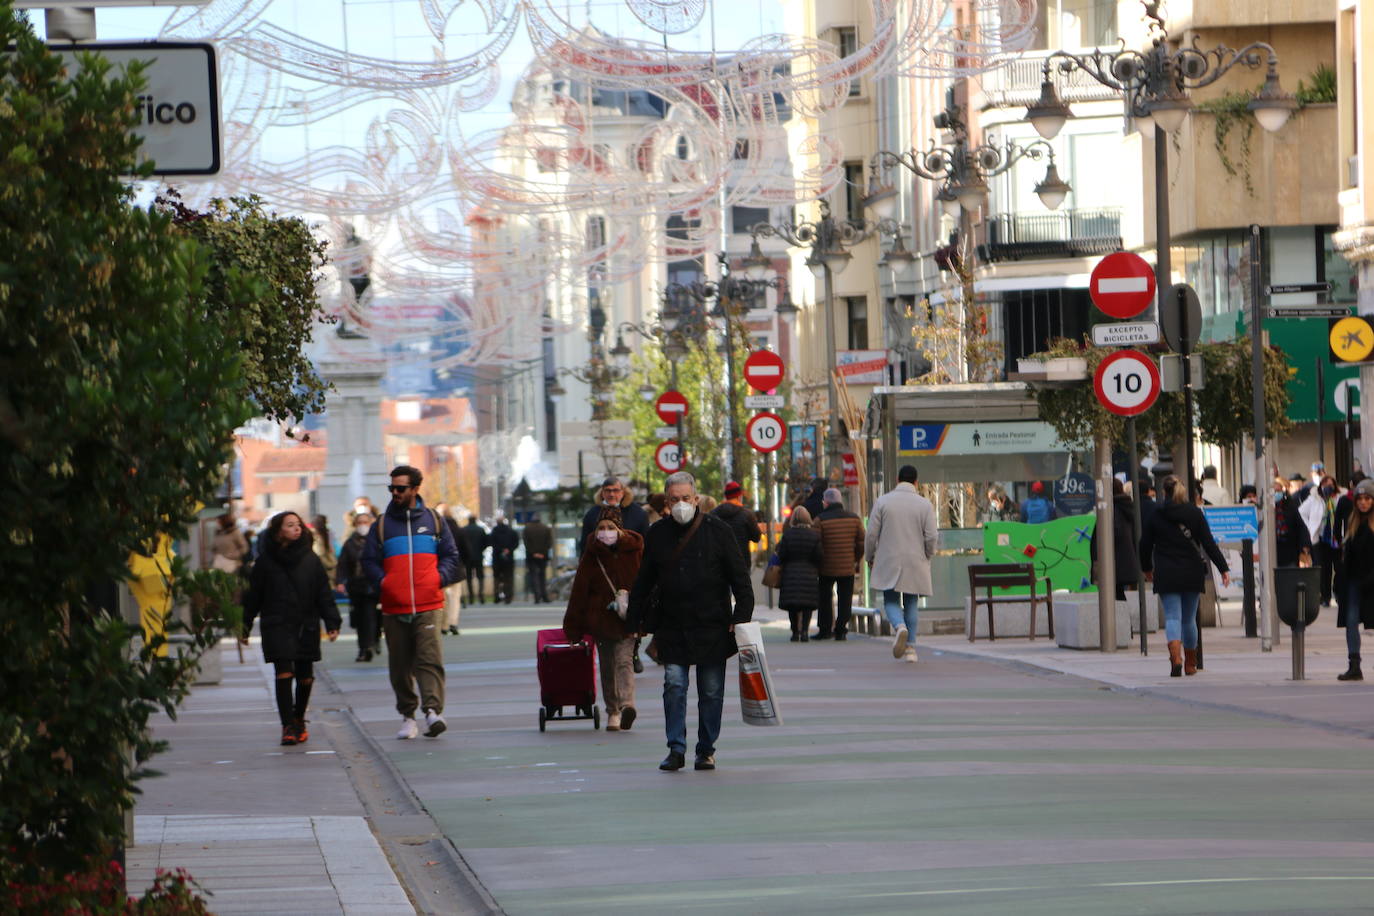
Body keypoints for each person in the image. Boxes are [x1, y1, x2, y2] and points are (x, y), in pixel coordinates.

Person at [628, 471, 753, 772]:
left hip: (712, 624)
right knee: (674, 685)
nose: (681, 504)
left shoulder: (718, 530)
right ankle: (676, 748)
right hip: (672, 625)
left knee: (711, 691)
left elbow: (740, 579)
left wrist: (740, 618)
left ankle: (706, 749)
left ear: (696, 499)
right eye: (674, 499)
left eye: (686, 498)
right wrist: (635, 620)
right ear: (666, 502)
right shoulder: (657, 534)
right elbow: (643, 580)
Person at [362, 465, 462, 739]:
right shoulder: (381, 525)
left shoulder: (433, 520)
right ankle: (408, 716)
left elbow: (451, 556)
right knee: (400, 664)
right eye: (391, 488)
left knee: (429, 660)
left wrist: (436, 579)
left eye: (401, 488)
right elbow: (368, 561)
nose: (395, 492)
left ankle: (433, 712)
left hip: (429, 604)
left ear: (415, 489)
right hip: (395, 606)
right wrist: (385, 583)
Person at [240, 512, 341, 745]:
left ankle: (298, 718)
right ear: (278, 532)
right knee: (284, 673)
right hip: (277, 623)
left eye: (298, 525)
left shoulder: (310, 559)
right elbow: (253, 596)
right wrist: (243, 626)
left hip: (306, 624)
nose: (297, 529)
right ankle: (287, 726)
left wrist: (332, 622)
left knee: (305, 677)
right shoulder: (265, 562)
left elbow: (323, 594)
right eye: (290, 525)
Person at [1140, 475, 1230, 678]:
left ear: (1163, 491)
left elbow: (1144, 544)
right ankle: (1190, 663)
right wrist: (1223, 568)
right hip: (1191, 571)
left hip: (1166, 571)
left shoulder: (1156, 514)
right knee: (1189, 619)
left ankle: (1176, 659)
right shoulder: (1194, 513)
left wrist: (1146, 568)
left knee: (1173, 616)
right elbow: (1208, 543)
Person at [563, 516, 644, 730]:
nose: (605, 531)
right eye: (601, 528)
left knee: (624, 661)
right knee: (608, 665)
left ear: (620, 529)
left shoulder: (634, 550)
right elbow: (579, 592)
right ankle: (613, 712)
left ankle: (627, 705)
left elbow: (647, 582)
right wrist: (573, 629)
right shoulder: (592, 554)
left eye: (610, 527)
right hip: (601, 619)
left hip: (629, 618)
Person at [865, 465, 938, 664]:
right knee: (912, 602)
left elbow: (871, 533)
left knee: (890, 599)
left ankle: (899, 626)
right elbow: (931, 536)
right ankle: (911, 649)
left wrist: (869, 556)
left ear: (898, 480)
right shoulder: (924, 504)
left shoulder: (883, 502)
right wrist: (928, 554)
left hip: (889, 558)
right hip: (916, 560)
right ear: (916, 481)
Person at [1335, 478, 1374, 681]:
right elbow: (1346, 556)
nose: (1363, 502)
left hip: (1371, 581)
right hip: (1353, 582)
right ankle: (1354, 664)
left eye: (1368, 498)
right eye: (1360, 499)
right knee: (1351, 623)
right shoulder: (1353, 523)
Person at [813, 487, 864, 640]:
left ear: (826, 502)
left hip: (826, 567)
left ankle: (825, 629)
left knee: (825, 598)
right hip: (847, 566)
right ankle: (841, 629)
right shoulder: (854, 518)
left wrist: (819, 561)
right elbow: (861, 542)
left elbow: (816, 544)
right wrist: (855, 559)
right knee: (845, 598)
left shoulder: (820, 520)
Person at [337, 510, 381, 661]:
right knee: (359, 619)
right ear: (355, 525)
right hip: (356, 586)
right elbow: (342, 564)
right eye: (359, 522)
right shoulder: (350, 543)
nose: (363, 525)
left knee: (370, 616)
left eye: (365, 522)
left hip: (372, 586)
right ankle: (364, 646)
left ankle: (368, 645)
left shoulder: (376, 541)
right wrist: (340, 581)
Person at [775, 506, 823, 641]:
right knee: (807, 605)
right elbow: (819, 556)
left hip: (790, 573)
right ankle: (805, 632)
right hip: (809, 573)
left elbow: (782, 555)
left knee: (793, 605)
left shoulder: (788, 535)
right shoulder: (814, 535)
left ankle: (795, 631)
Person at [1089, 478, 1140, 600]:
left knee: (1113, 596)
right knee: (1117, 594)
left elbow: (1113, 533)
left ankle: (1117, 618)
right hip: (1123, 561)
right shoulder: (1125, 507)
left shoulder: (1112, 510)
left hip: (1113, 562)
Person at [580, 477, 650, 548]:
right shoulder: (592, 514)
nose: (611, 494)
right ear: (602, 493)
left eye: (616, 490)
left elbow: (646, 543)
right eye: (608, 490)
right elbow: (585, 544)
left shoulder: (638, 514)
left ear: (622, 492)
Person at [1311, 475, 1347, 608]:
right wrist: (1311, 527)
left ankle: (1337, 593)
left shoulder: (1340, 498)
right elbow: (1302, 512)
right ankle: (1325, 596)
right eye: (1325, 485)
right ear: (1321, 486)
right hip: (1322, 539)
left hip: (1337, 538)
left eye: (1331, 485)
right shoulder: (1315, 499)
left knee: (1339, 568)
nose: (1328, 488)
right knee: (1324, 570)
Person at [712, 480, 762, 564]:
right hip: (742, 563)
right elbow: (756, 537)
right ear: (739, 496)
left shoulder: (713, 514)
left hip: (719, 563)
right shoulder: (747, 515)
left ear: (726, 496)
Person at [434, 504, 466, 636]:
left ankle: (444, 624)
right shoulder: (457, 528)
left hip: (440, 566)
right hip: (456, 566)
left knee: (444, 598)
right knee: (455, 598)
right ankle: (453, 622)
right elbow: (464, 547)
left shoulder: (435, 529)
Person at [1273, 475, 1313, 568]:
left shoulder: (1290, 506)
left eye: (1278, 491)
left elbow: (1301, 526)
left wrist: (1305, 545)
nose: (1276, 493)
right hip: (1272, 550)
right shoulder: (1266, 509)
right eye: (1274, 491)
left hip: (1289, 550)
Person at [523, 513, 554, 603]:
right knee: (542, 575)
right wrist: (542, 553)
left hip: (531, 556)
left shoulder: (527, 528)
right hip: (543, 556)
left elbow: (526, 543)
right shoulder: (546, 528)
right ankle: (544, 595)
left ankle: (537, 596)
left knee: (534, 576)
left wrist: (534, 553)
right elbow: (549, 542)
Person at [489, 516, 520, 603]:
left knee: (497, 578)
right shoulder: (511, 531)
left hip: (497, 558)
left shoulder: (494, 532)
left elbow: (491, 543)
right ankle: (508, 596)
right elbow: (516, 542)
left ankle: (496, 596)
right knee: (508, 578)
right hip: (509, 558)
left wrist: (500, 549)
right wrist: (509, 549)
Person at [461, 515, 489, 603]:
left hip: (467, 557)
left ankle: (471, 596)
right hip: (478, 556)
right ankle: (481, 594)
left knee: (469, 577)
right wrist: (480, 550)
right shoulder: (480, 530)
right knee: (480, 576)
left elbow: (461, 545)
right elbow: (486, 542)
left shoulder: (464, 530)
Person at [311, 514, 337, 581]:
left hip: (328, 572)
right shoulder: (317, 538)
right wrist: (332, 564)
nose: (328, 525)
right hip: (326, 573)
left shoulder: (324, 536)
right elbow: (320, 555)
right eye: (327, 522)